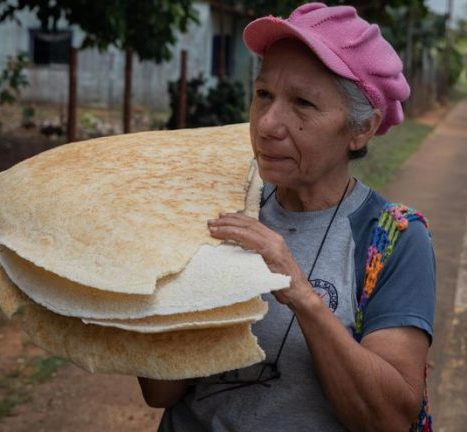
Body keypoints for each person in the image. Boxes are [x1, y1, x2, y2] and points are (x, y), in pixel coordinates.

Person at [139, 3, 436, 431]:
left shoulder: (393, 238)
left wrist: (300, 292)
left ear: (361, 129)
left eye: (302, 103)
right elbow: (161, 393)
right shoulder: (220, 210)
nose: (267, 124)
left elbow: (387, 418)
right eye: (263, 95)